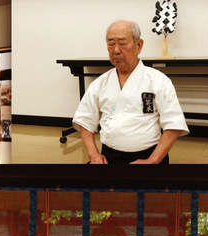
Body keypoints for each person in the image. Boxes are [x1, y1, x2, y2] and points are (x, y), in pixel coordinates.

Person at [72, 20, 189, 164]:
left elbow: (174, 124)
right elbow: (84, 120)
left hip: (149, 157)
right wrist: (94, 155)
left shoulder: (158, 80)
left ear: (139, 45)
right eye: (110, 44)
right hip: (108, 157)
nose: (116, 50)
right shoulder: (100, 83)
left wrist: (152, 161)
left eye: (122, 43)